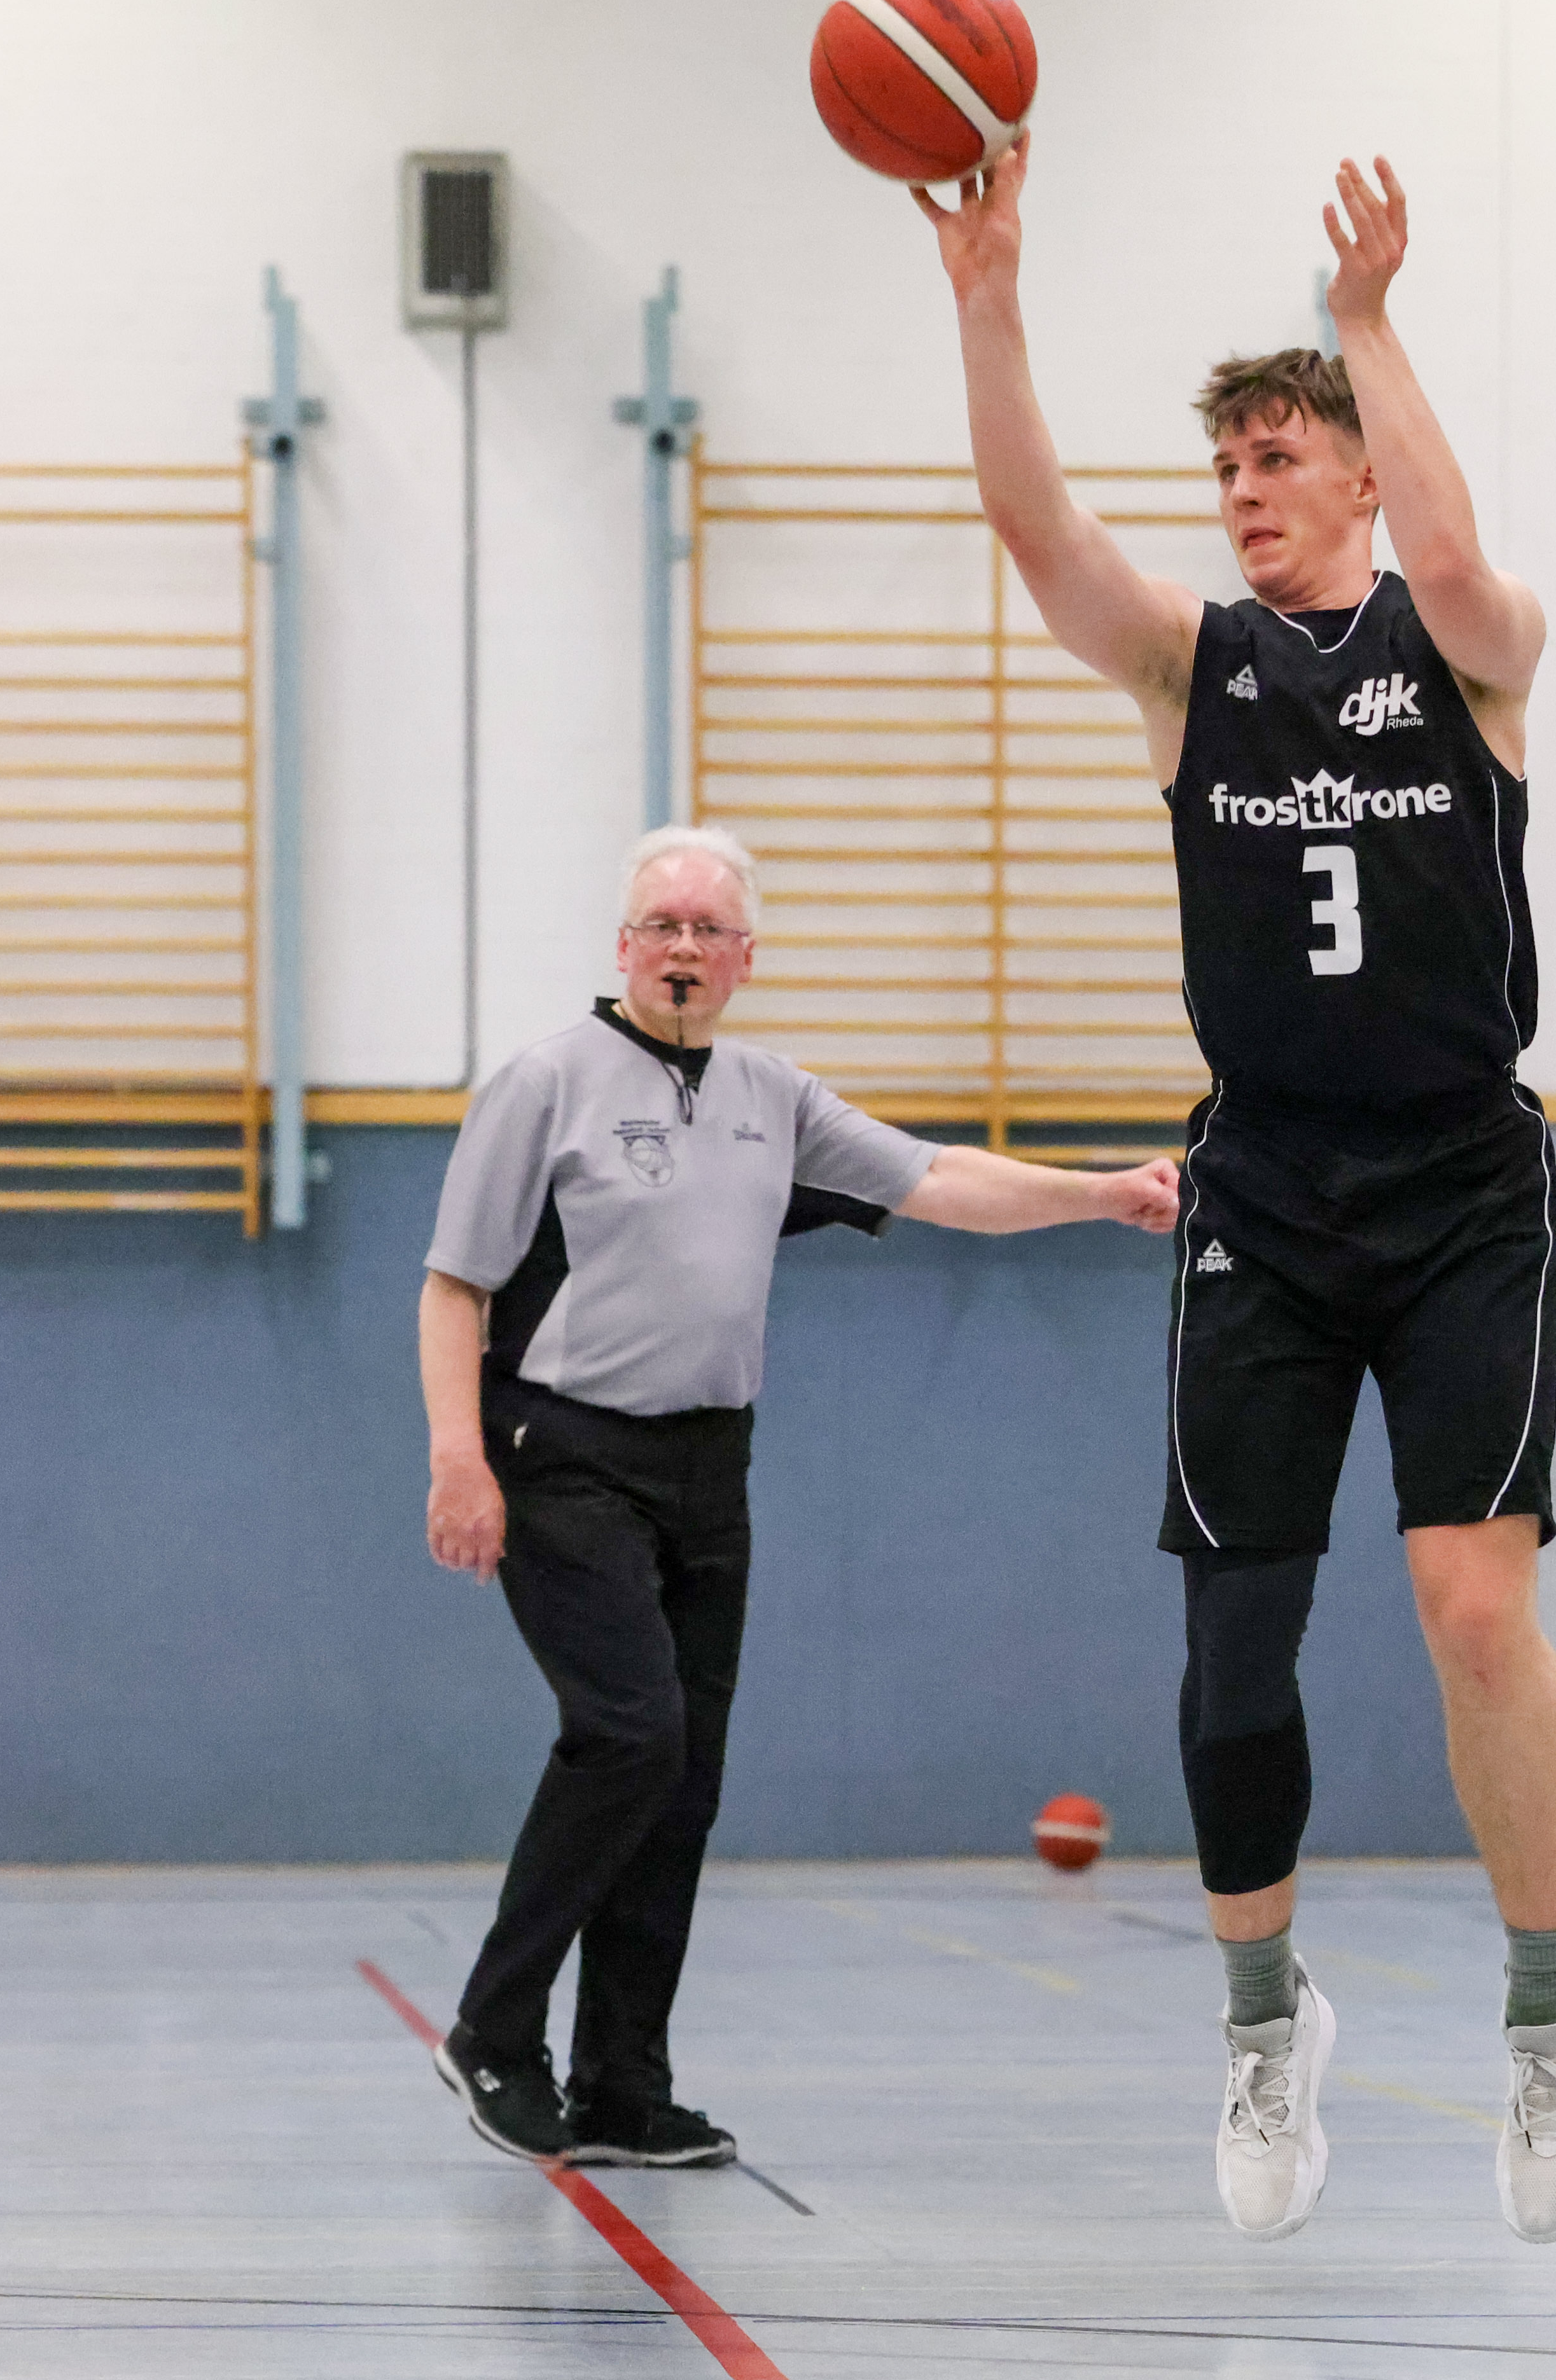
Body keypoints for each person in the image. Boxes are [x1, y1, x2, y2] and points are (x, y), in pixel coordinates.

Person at [913, 145, 1556, 2246]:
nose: (1242, 491)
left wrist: (1368, 319)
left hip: (1462, 1182)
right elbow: (1037, 530)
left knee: (1472, 1606)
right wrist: (988, 295)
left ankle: (1548, 2019)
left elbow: (1460, 553)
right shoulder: (1188, 673)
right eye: (1224, 465)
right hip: (1269, 1193)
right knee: (1236, 1642)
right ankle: (1259, 2023)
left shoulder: (1470, 653)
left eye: (1278, 456)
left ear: (1360, 474)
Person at [419, 821, 1178, 2171]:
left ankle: (623, 2084)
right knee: (629, 1731)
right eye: (663, 925)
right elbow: (453, 1285)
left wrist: (1103, 1195)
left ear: (746, 958)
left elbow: (939, 1176)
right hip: (561, 1450)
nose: (684, 948)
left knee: (683, 1776)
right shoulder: (543, 1084)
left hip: (709, 1467)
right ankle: (493, 2028)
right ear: (624, 946)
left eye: (709, 929)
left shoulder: (775, 1098)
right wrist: (457, 1456)